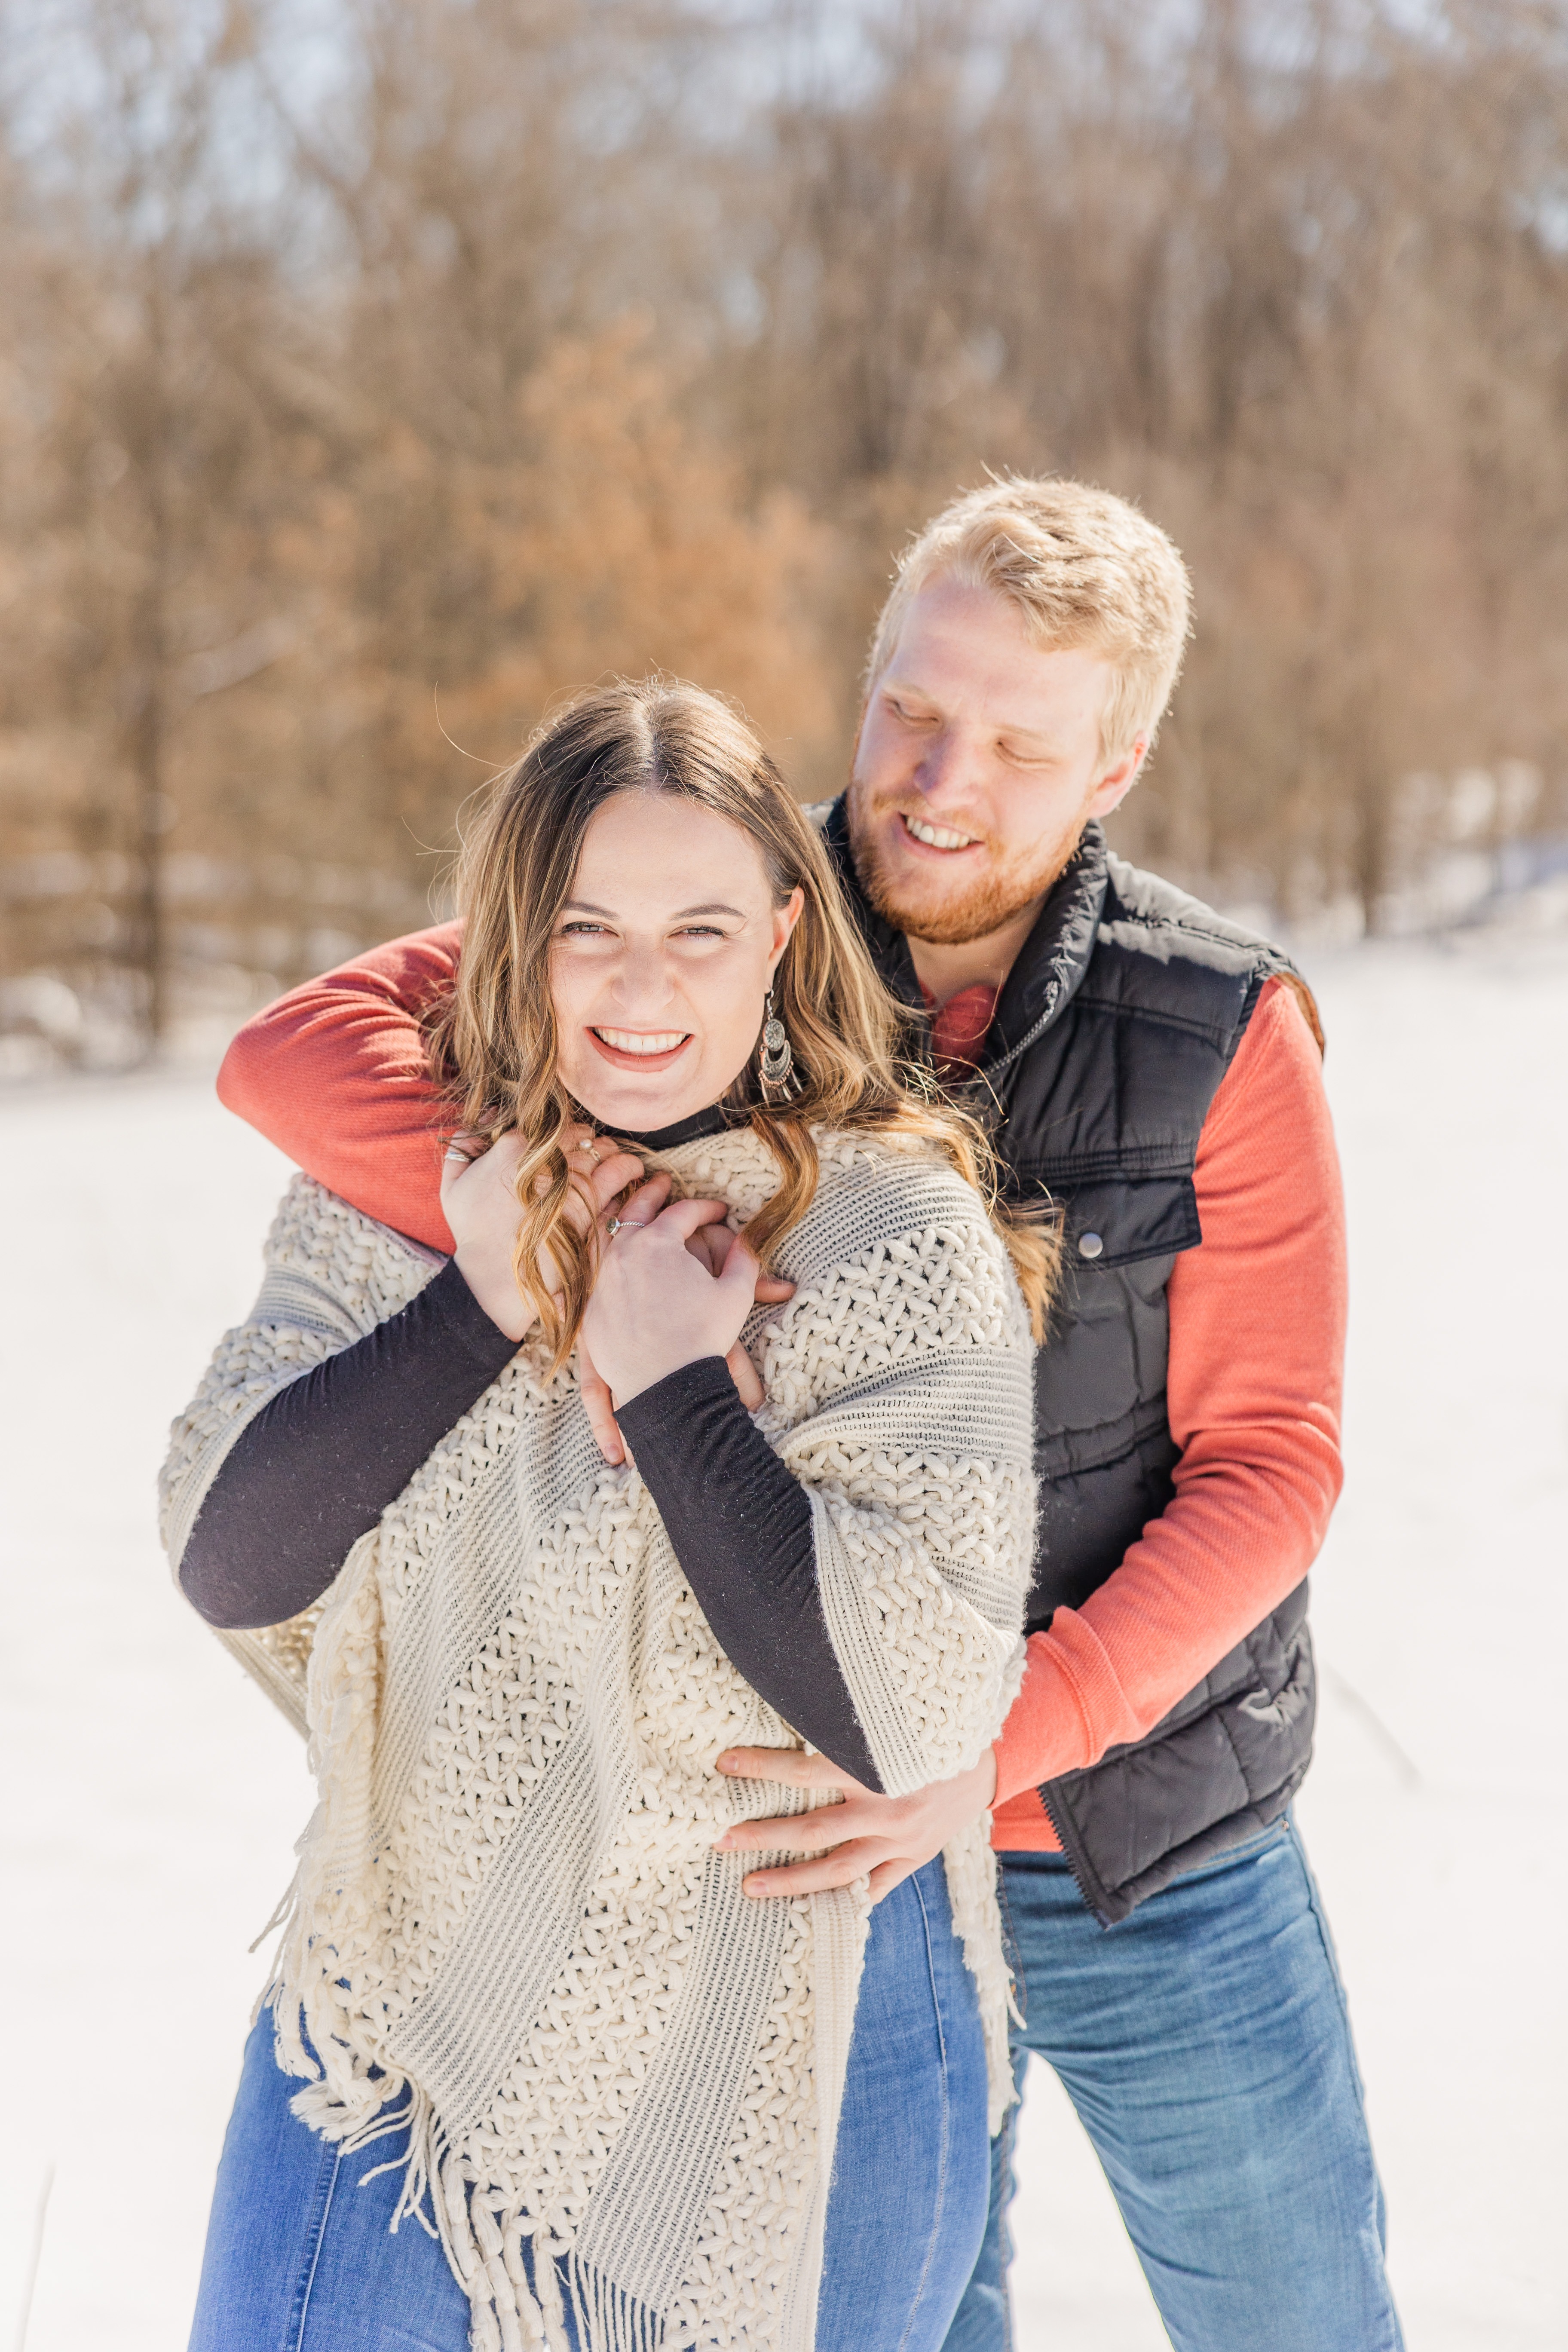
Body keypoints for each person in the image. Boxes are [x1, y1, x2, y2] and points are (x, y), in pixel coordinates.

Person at [218, 478, 1405, 2352]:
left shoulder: (1220, 1025)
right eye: (917, 710)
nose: (943, 778)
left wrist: (992, 1744)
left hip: (1143, 1829)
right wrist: (590, 1222)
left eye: (1022, 743)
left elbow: (1278, 1467)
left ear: (1117, 765)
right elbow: (292, 1053)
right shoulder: (717, 904)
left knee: (1296, 2317)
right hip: (795, 1865)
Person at [162, 680, 1050, 2352]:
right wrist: (482, 1303)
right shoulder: (418, 1205)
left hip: (815, 2010)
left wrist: (671, 1386)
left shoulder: (894, 1237)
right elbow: (232, 1549)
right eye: (589, 929)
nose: (644, 992)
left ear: (787, 933)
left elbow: (904, 1706)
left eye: (701, 930)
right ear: (516, 935)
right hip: (416, 2013)